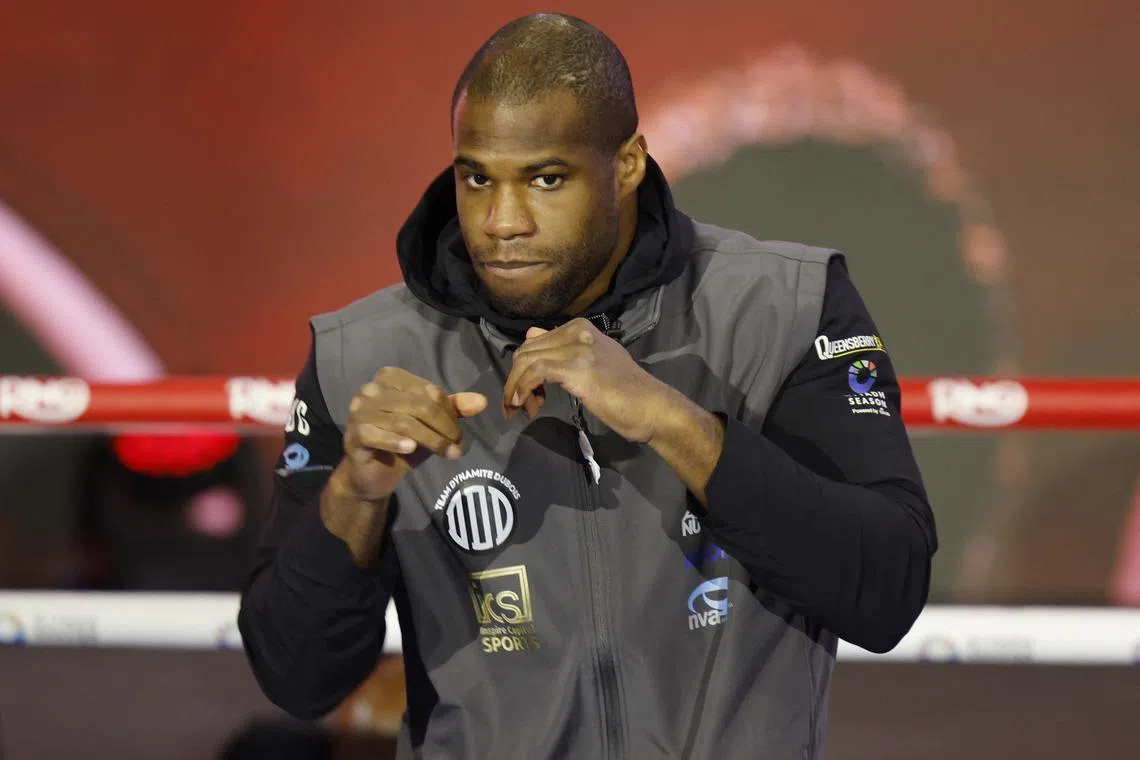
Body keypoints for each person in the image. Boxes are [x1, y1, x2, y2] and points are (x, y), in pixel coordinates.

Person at [238, 12, 936, 759]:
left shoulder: (785, 307)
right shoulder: (365, 357)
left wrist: (673, 421)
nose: (502, 222)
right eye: (477, 177)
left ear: (628, 163)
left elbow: (885, 592)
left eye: (545, 179)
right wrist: (356, 494)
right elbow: (297, 677)